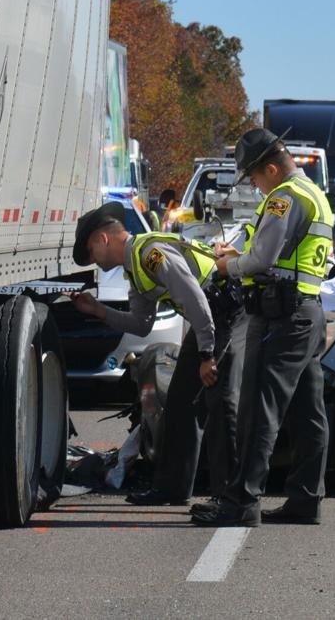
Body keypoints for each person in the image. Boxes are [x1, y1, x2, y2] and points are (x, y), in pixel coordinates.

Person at [191, 127, 334, 528]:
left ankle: (241, 502)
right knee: (308, 413)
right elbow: (280, 255)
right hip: (308, 314)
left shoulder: (284, 198)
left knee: (259, 411)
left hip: (282, 318)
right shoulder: (315, 196)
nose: (253, 186)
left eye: (253, 177)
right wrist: (246, 255)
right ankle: (307, 498)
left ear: (271, 168)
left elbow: (261, 261)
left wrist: (225, 265)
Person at [68, 202, 244, 505]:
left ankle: (229, 497)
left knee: (220, 403)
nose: (92, 262)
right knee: (180, 403)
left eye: (91, 252)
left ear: (102, 239)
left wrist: (206, 354)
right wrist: (98, 310)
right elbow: (141, 324)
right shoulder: (135, 269)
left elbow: (193, 296)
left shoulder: (149, 253)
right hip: (213, 315)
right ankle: (172, 489)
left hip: (222, 312)